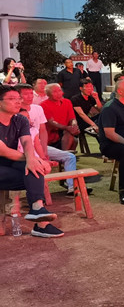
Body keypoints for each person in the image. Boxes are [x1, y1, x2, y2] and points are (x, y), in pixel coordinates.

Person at [0, 86, 65, 237]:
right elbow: (4, 151)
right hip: (4, 165)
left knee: (33, 168)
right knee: (34, 167)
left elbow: (27, 142)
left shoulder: (20, 119)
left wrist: (33, 160)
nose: (18, 102)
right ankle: (41, 224)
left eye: (18, 98)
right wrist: (35, 160)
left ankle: (37, 210)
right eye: (12, 99)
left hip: (11, 166)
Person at [17, 84, 87, 197]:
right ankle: (37, 196)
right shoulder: (15, 111)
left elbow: (42, 131)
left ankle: (71, 187)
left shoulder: (37, 108)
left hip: (39, 145)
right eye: (26, 94)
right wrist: (40, 156)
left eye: (31, 93)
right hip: (23, 149)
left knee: (69, 156)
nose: (30, 96)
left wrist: (44, 151)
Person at [41, 83, 79, 150]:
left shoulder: (67, 102)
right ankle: (64, 154)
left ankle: (65, 154)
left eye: (59, 90)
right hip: (52, 133)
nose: (58, 93)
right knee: (70, 136)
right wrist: (67, 128)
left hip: (65, 132)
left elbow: (72, 118)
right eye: (55, 92)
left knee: (73, 139)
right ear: (48, 94)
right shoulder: (43, 105)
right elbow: (51, 122)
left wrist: (74, 125)